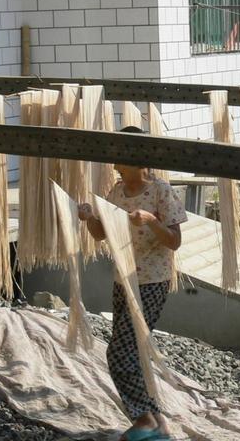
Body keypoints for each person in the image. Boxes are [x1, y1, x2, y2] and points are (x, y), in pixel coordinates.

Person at [78, 126, 187, 441]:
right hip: (123, 279)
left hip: (152, 281)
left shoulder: (160, 192)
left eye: (119, 153)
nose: (113, 159)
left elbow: (175, 242)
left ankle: (144, 419)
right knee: (132, 352)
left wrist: (152, 221)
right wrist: (89, 218)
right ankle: (157, 422)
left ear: (136, 159)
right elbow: (102, 235)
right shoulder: (116, 192)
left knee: (119, 352)